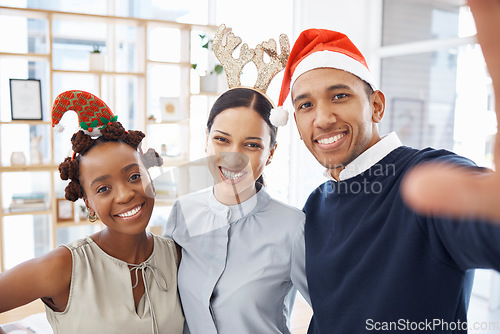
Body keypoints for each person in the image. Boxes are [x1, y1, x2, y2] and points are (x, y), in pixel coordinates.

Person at [273, 0, 500, 333]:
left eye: (339, 96)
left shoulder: (429, 178)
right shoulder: (316, 206)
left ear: (376, 106)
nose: (322, 118)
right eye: (305, 104)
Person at [163, 24, 309, 334]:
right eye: (222, 140)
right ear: (206, 139)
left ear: (271, 153)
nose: (234, 156)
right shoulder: (182, 213)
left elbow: (333, 310)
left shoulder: (293, 227)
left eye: (252, 144)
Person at [0, 90, 184, 334]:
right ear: (88, 202)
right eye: (104, 188)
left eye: (134, 176)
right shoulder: (65, 266)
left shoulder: (177, 256)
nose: (125, 194)